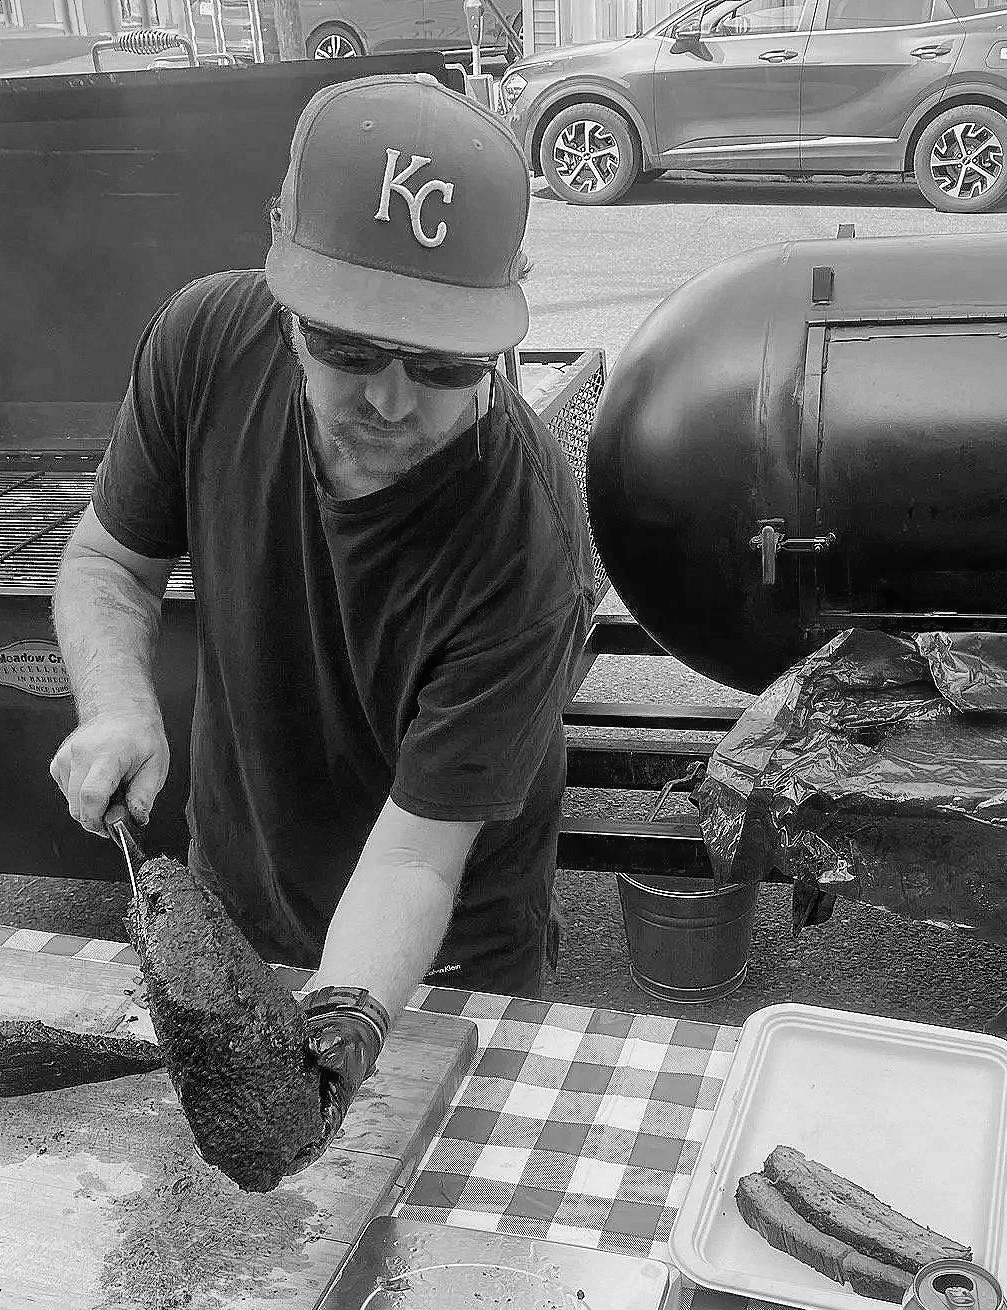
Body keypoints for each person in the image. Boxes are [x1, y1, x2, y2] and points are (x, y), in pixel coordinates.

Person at [48, 74, 596, 1135]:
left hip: (438, 956)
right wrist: (116, 702)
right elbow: (110, 562)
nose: (390, 399)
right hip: (237, 900)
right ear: (283, 286)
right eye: (346, 345)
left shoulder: (526, 534)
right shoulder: (204, 341)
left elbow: (412, 860)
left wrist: (335, 1040)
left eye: (441, 363)